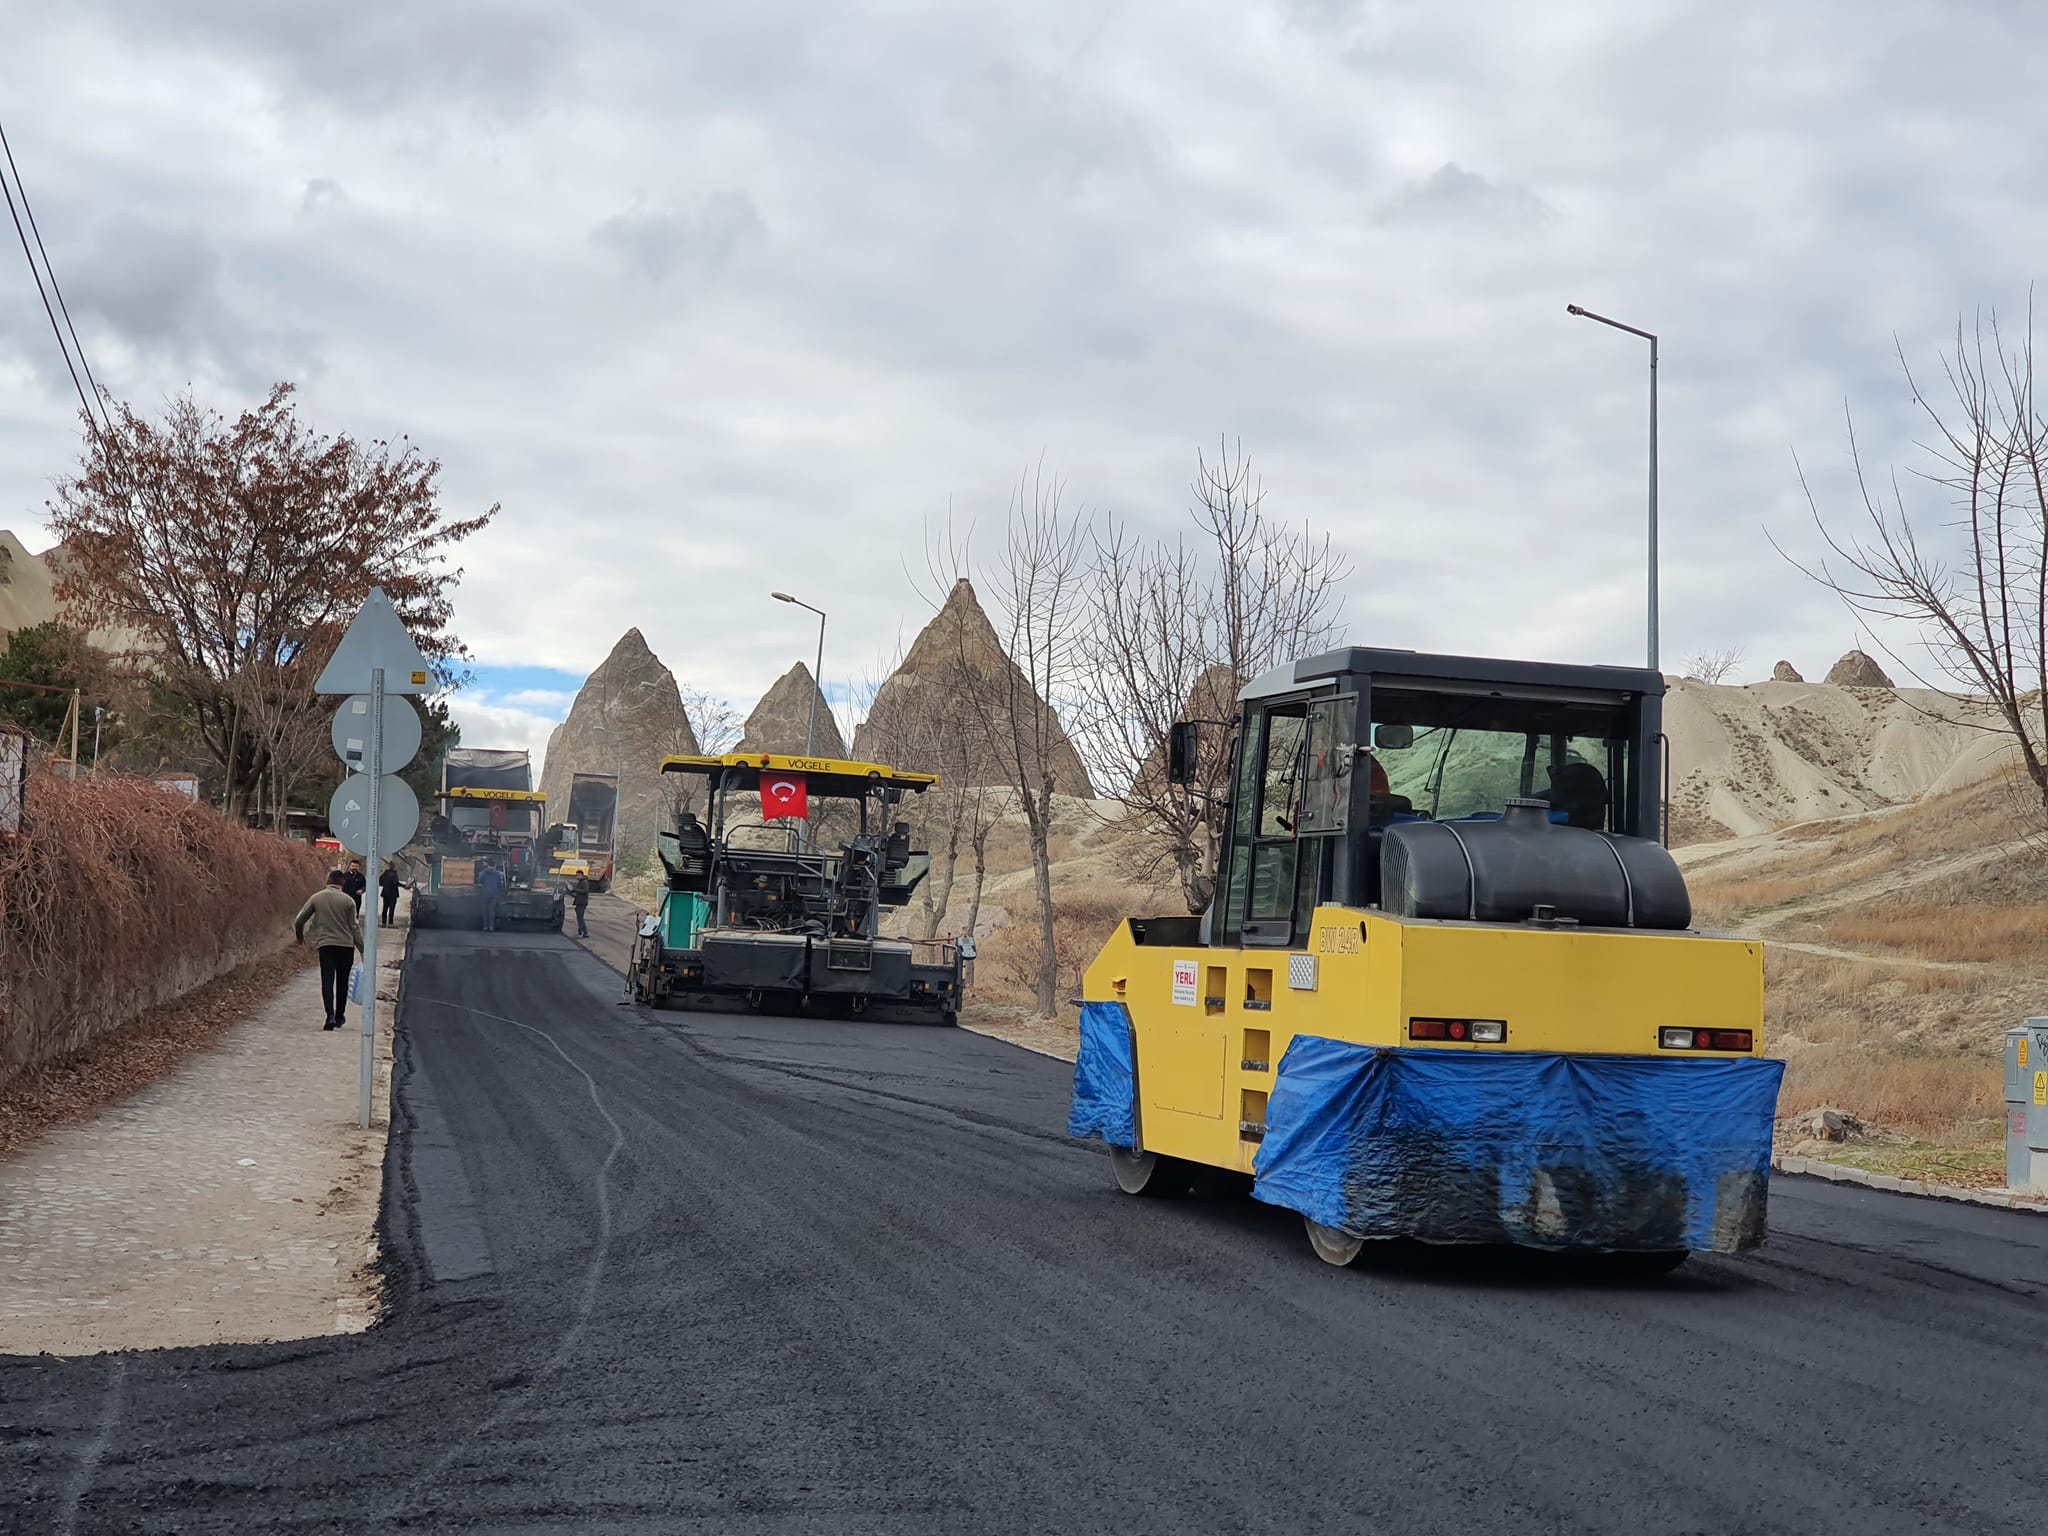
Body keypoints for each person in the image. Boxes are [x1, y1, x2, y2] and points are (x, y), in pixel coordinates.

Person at [294, 869, 364, 1031]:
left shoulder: (317, 897)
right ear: (343, 883)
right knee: (342, 982)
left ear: (327, 881)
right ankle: (340, 1016)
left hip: (326, 945)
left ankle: (329, 1016)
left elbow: (299, 921)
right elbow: (354, 927)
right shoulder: (349, 901)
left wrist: (300, 938)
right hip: (346, 946)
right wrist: (362, 948)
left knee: (327, 980)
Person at [478, 861, 504, 932]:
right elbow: (499, 884)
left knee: (485, 910)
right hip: (494, 893)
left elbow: (479, 880)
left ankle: (485, 926)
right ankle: (491, 926)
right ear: (495, 865)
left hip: (485, 893)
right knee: (491, 910)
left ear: (488, 865)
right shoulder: (498, 873)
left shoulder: (483, 872)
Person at [571, 873, 591, 938]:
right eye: (576, 876)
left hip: (582, 903)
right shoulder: (580, 882)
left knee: (580, 918)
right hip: (579, 902)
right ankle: (585, 933)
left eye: (579, 875)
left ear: (582, 875)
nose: (577, 877)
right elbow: (578, 893)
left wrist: (574, 889)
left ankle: (581, 933)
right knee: (580, 918)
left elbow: (585, 891)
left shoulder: (584, 882)